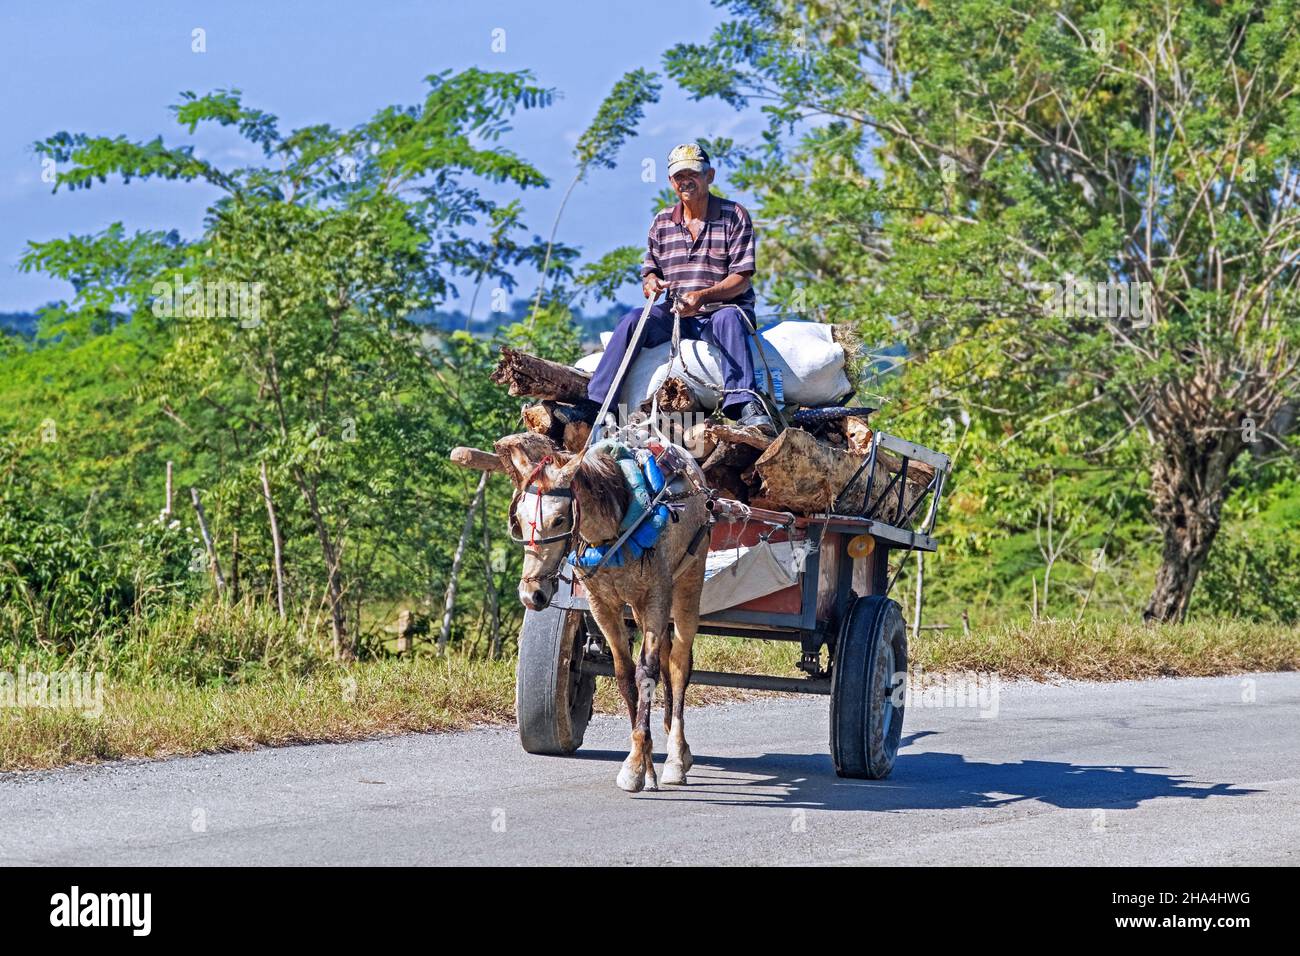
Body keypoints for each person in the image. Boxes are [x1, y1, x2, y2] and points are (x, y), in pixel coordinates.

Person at [586, 142, 775, 434]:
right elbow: (650, 269)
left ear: (709, 175)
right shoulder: (662, 222)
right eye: (678, 177)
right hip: (676, 315)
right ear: (671, 182)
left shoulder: (734, 215)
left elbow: (742, 278)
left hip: (721, 312)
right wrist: (651, 282)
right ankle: (597, 403)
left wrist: (703, 297)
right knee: (634, 320)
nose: (685, 181)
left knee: (729, 318)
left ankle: (744, 403)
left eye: (693, 174)